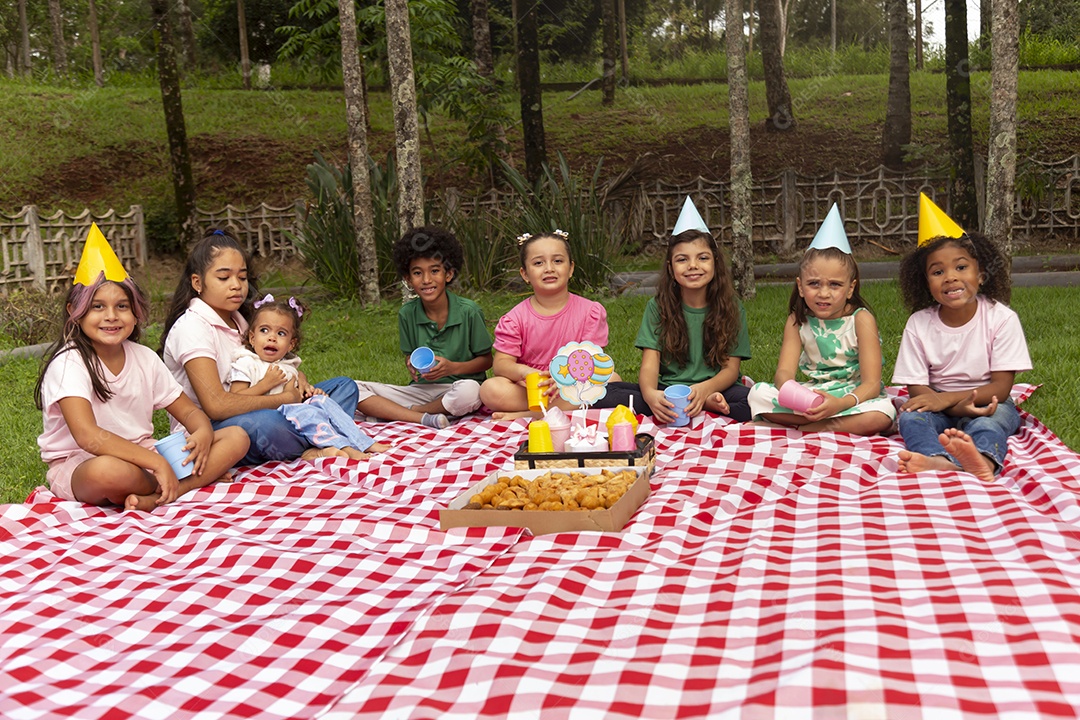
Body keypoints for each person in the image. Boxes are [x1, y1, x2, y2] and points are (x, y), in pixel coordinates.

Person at [36, 223, 249, 512]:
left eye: (122, 306)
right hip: (84, 463)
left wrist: (201, 432)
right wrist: (155, 462)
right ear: (75, 312)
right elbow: (88, 436)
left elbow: (188, 411)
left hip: (147, 457)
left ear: (136, 314)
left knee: (236, 437)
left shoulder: (144, 358)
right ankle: (179, 480)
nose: (111, 316)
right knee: (110, 472)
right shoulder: (69, 363)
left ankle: (166, 490)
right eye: (97, 307)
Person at [160, 229, 360, 466]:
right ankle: (320, 439)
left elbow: (274, 364)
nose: (236, 286)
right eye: (224, 278)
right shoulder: (192, 327)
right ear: (197, 282)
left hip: (266, 401)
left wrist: (300, 381)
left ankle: (313, 440)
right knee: (267, 424)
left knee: (344, 387)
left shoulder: (240, 319)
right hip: (214, 428)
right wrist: (286, 399)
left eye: (242, 278)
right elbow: (216, 406)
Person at [893, 194, 1031, 482]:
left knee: (994, 422)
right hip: (934, 404)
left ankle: (982, 460)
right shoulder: (919, 324)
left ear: (981, 275)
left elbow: (1002, 388)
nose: (950, 277)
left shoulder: (1001, 318)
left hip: (988, 400)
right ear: (925, 282)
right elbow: (917, 389)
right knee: (910, 417)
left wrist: (953, 401)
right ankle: (938, 459)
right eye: (938, 271)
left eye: (961, 267)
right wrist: (950, 405)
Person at [747, 205, 895, 434]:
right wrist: (798, 397)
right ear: (800, 286)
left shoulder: (861, 319)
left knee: (882, 415)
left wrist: (840, 404)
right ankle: (818, 424)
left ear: (850, 288)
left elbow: (872, 384)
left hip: (852, 397)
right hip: (812, 395)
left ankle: (809, 428)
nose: (823, 293)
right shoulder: (798, 321)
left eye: (835, 285)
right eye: (814, 283)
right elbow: (783, 373)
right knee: (757, 393)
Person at [354, 226, 493, 429]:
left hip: (459, 388)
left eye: (435, 271)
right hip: (421, 390)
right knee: (354, 388)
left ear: (449, 274)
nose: (427, 280)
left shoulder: (468, 311)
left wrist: (453, 367)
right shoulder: (407, 314)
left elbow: (487, 360)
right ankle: (427, 413)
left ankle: (412, 413)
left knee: (470, 391)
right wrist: (410, 363)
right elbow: (410, 355)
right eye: (418, 273)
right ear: (408, 279)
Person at [632, 201, 753, 422]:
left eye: (702, 258)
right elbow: (650, 363)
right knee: (612, 395)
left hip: (716, 387)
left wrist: (704, 390)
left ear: (715, 262)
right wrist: (650, 395)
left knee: (754, 402)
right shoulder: (658, 306)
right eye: (682, 259)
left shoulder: (732, 307)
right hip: (669, 390)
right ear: (670, 267)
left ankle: (703, 403)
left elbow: (731, 370)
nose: (693, 266)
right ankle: (702, 406)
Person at [479, 229, 619, 419]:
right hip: (532, 389)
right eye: (538, 263)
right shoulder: (514, 319)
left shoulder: (590, 312)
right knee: (490, 389)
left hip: (575, 384)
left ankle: (528, 415)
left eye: (558, 261)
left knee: (611, 380)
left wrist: (567, 378)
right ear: (525, 274)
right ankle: (555, 409)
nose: (549, 268)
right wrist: (526, 373)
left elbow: (592, 359)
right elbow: (501, 364)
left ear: (570, 269)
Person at [229, 294, 388, 460]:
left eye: (281, 333)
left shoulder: (287, 365)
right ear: (252, 338)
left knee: (330, 397)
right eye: (264, 330)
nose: (272, 337)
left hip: (293, 413)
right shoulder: (245, 363)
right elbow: (234, 399)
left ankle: (361, 442)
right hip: (272, 419)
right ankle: (339, 445)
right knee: (300, 415)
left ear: (291, 344)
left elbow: (294, 396)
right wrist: (264, 385)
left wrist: (310, 391)